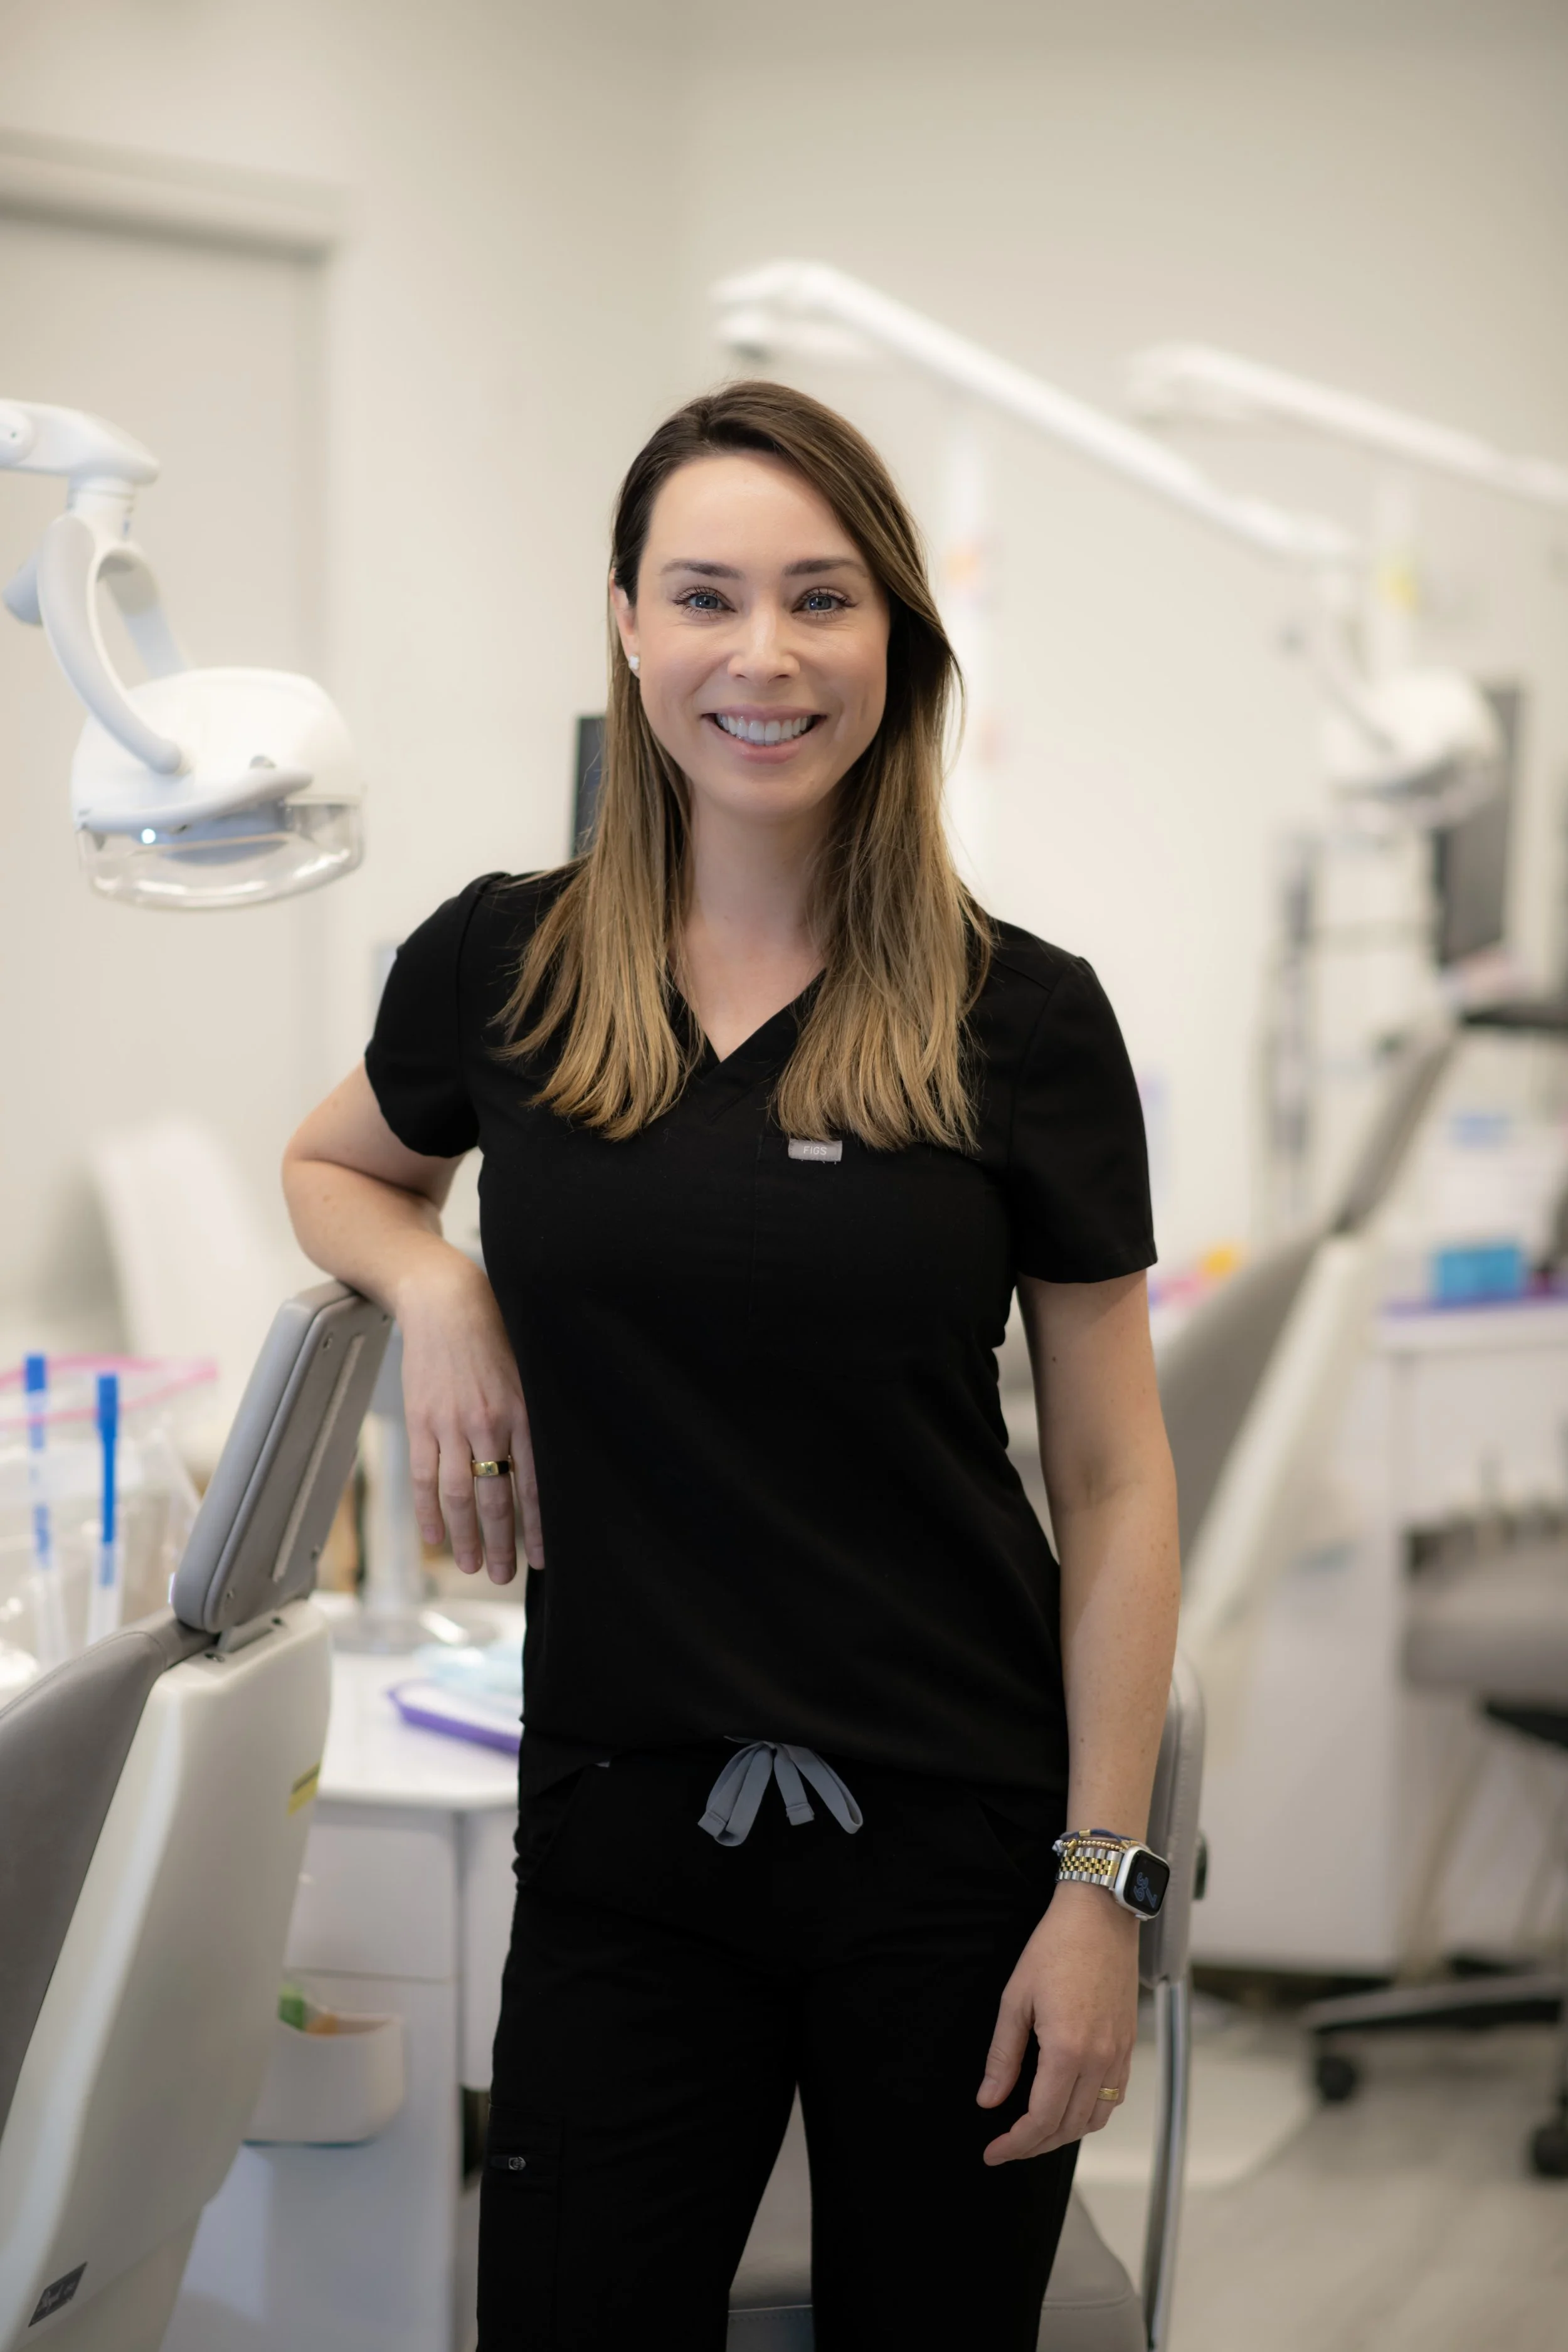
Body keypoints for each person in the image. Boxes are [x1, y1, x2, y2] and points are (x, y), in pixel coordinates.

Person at [283, 379, 1180, 2351]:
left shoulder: (1022, 1018)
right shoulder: (498, 966)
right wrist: (437, 1286)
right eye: (704, 595)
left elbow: (1114, 1482)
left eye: (819, 599)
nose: (760, 655)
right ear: (625, 624)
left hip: (956, 1850)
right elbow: (334, 1161)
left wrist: (1100, 1888)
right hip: (622, 1839)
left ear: (894, 641)